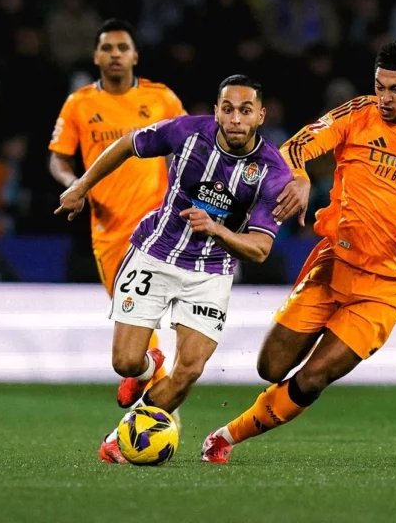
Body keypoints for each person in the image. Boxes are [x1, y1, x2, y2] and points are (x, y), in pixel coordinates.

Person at [201, 41, 396, 463]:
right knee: (270, 368)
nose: (384, 98)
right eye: (379, 86)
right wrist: (301, 177)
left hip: (384, 286)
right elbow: (293, 148)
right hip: (333, 263)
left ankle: (225, 437)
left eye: (395, 89)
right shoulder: (358, 113)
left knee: (314, 376)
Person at [55, 75, 292, 463]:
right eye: (227, 109)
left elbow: (261, 249)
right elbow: (127, 144)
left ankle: (122, 437)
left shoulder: (272, 172)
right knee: (125, 362)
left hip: (211, 272)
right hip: (156, 252)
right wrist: (82, 185)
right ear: (216, 111)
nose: (235, 118)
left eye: (245, 110)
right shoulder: (186, 132)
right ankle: (149, 367)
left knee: (190, 369)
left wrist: (215, 229)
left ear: (260, 116)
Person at [47, 18, 186, 408]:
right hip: (109, 232)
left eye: (122, 48)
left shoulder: (162, 99)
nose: (115, 55)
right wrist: (75, 184)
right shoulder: (80, 103)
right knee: (134, 326)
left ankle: (157, 415)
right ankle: (147, 370)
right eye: (107, 48)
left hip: (162, 227)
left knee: (150, 320)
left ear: (135, 55)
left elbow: (190, 146)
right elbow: (58, 159)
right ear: (95, 56)